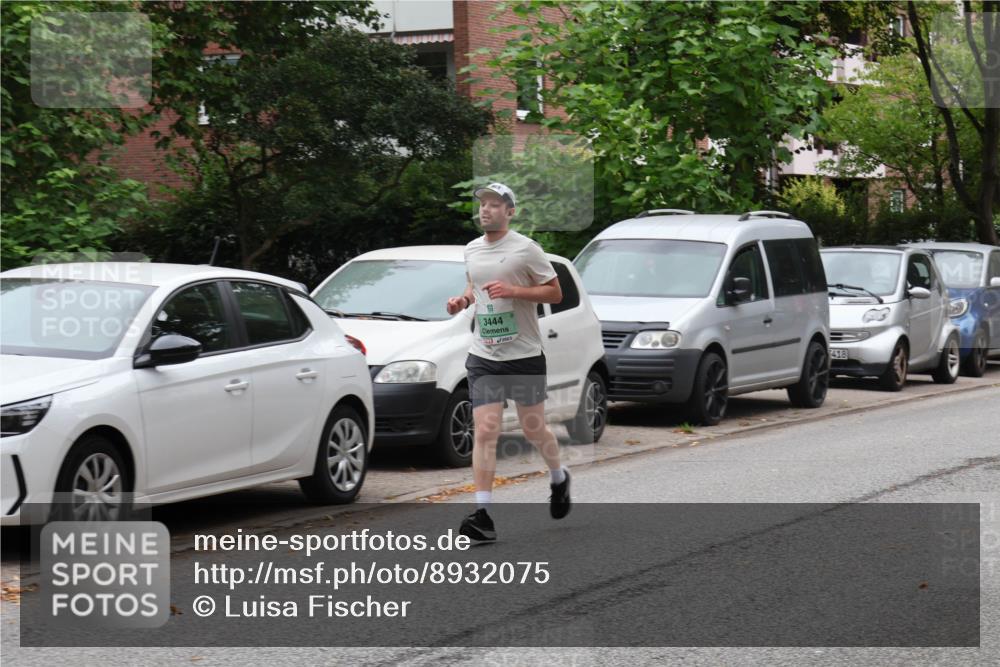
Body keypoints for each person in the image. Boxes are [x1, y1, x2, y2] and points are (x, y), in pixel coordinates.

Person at [446, 182, 569, 542]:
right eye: (482, 204)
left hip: (524, 355)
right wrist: (463, 301)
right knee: (485, 431)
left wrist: (515, 291)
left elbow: (555, 292)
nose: (486, 210)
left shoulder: (526, 249)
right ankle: (482, 514)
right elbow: (474, 285)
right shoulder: (471, 250)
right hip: (484, 355)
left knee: (534, 429)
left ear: (510, 212)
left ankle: (559, 478)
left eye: (495, 204)